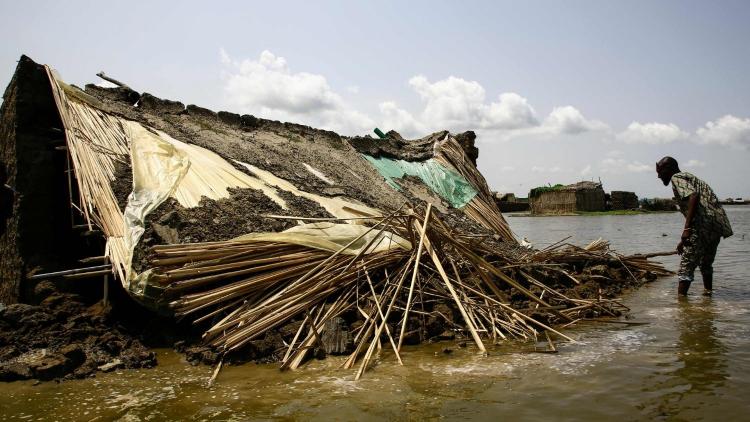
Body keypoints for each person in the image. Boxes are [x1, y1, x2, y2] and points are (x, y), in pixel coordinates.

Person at [656, 157, 733, 296]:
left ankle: (682, 308)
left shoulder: (677, 177)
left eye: (660, 172)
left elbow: (693, 196)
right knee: (706, 264)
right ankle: (708, 296)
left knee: (686, 268)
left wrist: (687, 229)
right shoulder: (692, 178)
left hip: (702, 226)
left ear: (667, 169)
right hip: (715, 227)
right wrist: (683, 240)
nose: (658, 176)